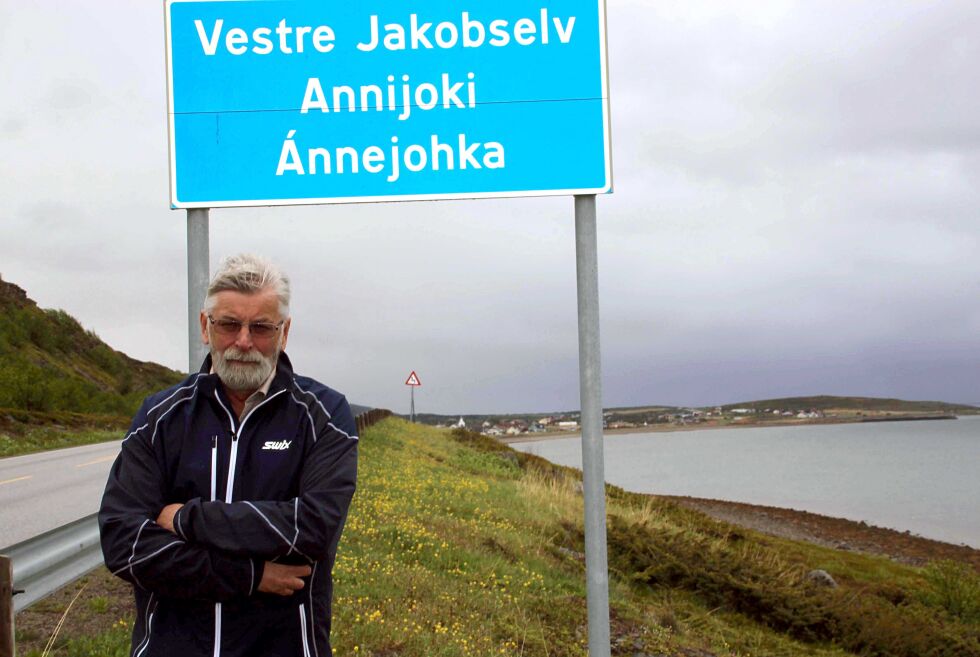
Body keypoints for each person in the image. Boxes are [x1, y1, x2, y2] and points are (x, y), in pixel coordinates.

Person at [99, 254, 358, 657]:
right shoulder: (160, 416)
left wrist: (187, 519)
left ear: (284, 332)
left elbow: (313, 528)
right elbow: (125, 544)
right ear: (206, 327)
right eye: (228, 325)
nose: (243, 342)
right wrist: (249, 575)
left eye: (261, 327)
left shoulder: (325, 415)